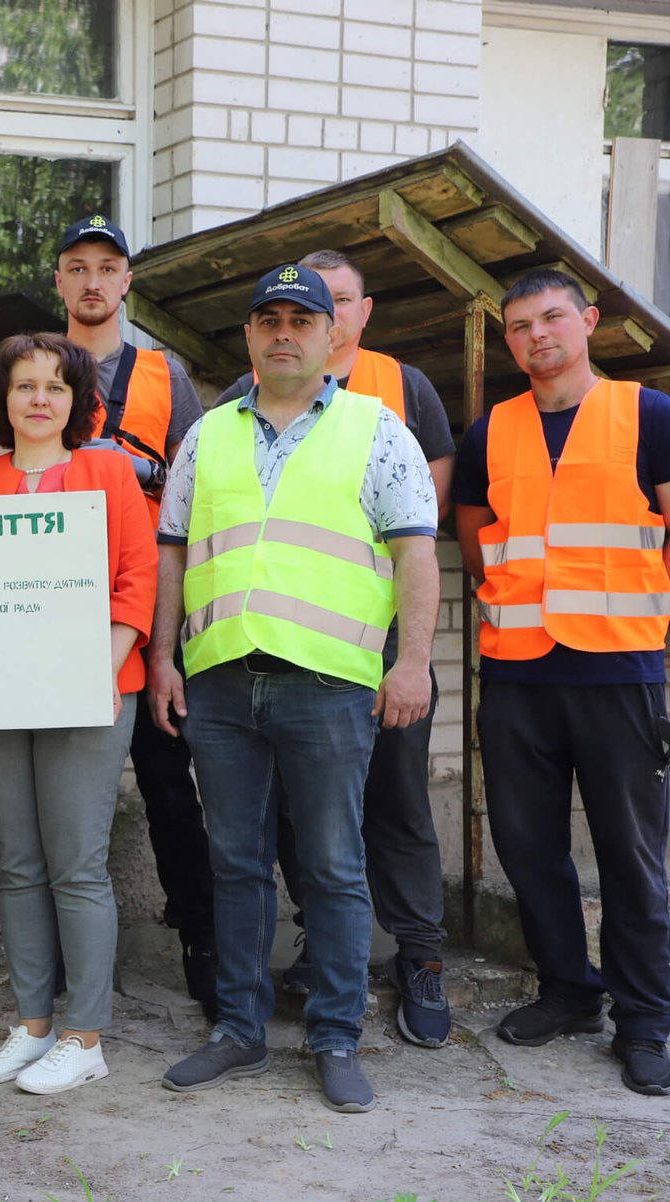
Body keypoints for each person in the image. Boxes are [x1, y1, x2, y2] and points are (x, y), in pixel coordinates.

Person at [149, 264, 439, 1113]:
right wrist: (165, 658)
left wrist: (413, 662)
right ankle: (238, 1031)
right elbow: (174, 551)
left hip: (329, 686)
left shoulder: (376, 428)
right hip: (223, 685)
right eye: (267, 320)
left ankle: (336, 1037)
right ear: (248, 336)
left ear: (330, 334)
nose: (283, 332)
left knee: (333, 866)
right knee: (235, 864)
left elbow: (415, 552)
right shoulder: (208, 436)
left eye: (300, 320)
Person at [216, 248, 457, 1048]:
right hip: (284, 647)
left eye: (338, 302)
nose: (322, 319)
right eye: (277, 315)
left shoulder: (401, 393)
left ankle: (420, 956)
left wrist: (408, 655)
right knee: (306, 819)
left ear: (354, 312)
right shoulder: (234, 406)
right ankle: (322, 951)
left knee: (398, 803)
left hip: (380, 639)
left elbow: (420, 520)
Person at [0, 214, 217, 1018]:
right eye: (75, 266)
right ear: (59, 282)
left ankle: (197, 934)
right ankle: (53, 981)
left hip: (137, 607)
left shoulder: (163, 374)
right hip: (40, 617)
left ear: (126, 282)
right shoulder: (30, 370)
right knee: (40, 827)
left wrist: (165, 633)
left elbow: (189, 500)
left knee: (166, 780)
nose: (91, 281)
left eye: (106, 267)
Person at [454, 267, 670, 1096]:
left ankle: (646, 1020)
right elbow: (477, 540)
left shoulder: (648, 415)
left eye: (550, 318)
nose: (535, 335)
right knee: (529, 846)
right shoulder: (489, 432)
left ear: (588, 321)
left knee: (631, 853)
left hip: (619, 669)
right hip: (517, 669)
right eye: (517, 326)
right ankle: (569, 991)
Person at [0, 333, 156, 1094]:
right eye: (24, 385)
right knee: (17, 863)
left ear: (77, 400)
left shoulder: (107, 470)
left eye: (55, 387)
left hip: (91, 688)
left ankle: (85, 1035)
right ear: (3, 398)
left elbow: (137, 572)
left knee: (76, 863)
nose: (39, 398)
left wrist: (97, 666)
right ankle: (33, 1026)